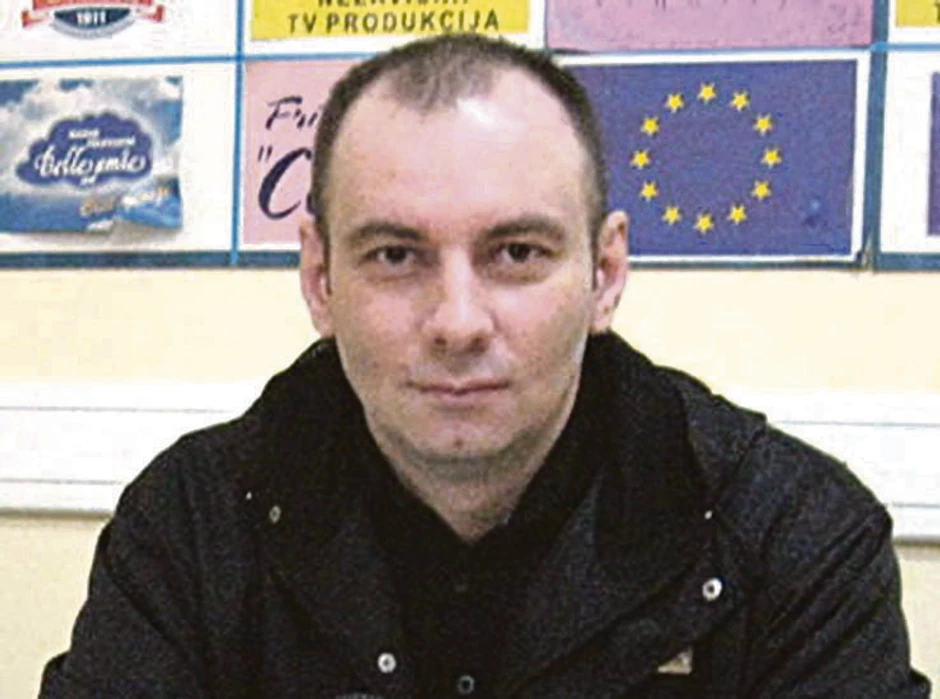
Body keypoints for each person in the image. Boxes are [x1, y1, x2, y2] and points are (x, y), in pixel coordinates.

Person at [41, 34, 930, 699]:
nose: (458, 322)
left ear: (605, 273)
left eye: (516, 253)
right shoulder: (191, 527)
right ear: (319, 278)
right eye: (396, 256)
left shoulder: (793, 540)